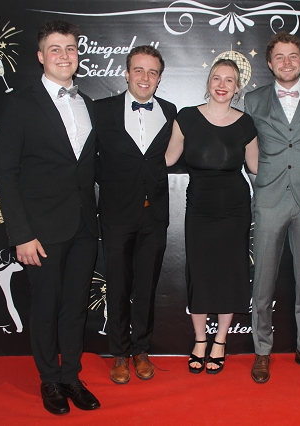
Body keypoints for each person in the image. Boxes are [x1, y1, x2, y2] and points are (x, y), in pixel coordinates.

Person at [0, 20, 100, 415]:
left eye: (70, 48)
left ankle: (71, 375)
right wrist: (21, 234)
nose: (64, 55)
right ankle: (49, 379)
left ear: (78, 54)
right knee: (45, 307)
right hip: (41, 230)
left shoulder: (87, 104)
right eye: (55, 49)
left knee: (75, 306)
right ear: (41, 56)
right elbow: (5, 173)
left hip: (84, 226)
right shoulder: (20, 104)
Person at [244, 32, 300, 384]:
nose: (287, 62)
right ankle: (262, 351)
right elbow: (245, 145)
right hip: (269, 199)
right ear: (270, 64)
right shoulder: (253, 100)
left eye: (293, 55)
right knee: (263, 280)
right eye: (280, 57)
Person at [165, 59, 259, 374]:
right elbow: (168, 158)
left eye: (229, 80)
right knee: (200, 273)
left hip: (235, 209)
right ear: (208, 82)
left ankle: (220, 341)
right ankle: (199, 340)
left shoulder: (245, 123)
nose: (222, 85)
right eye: (216, 78)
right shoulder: (186, 117)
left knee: (230, 273)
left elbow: (256, 167)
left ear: (237, 87)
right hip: (200, 209)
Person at [93, 46, 177, 384]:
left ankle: (141, 350)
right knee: (117, 285)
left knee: (146, 287)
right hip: (116, 215)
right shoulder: (102, 110)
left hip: (153, 215)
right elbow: (89, 160)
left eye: (152, 72)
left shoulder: (169, 111)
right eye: (138, 70)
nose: (145, 77)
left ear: (159, 78)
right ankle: (119, 353)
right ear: (126, 73)